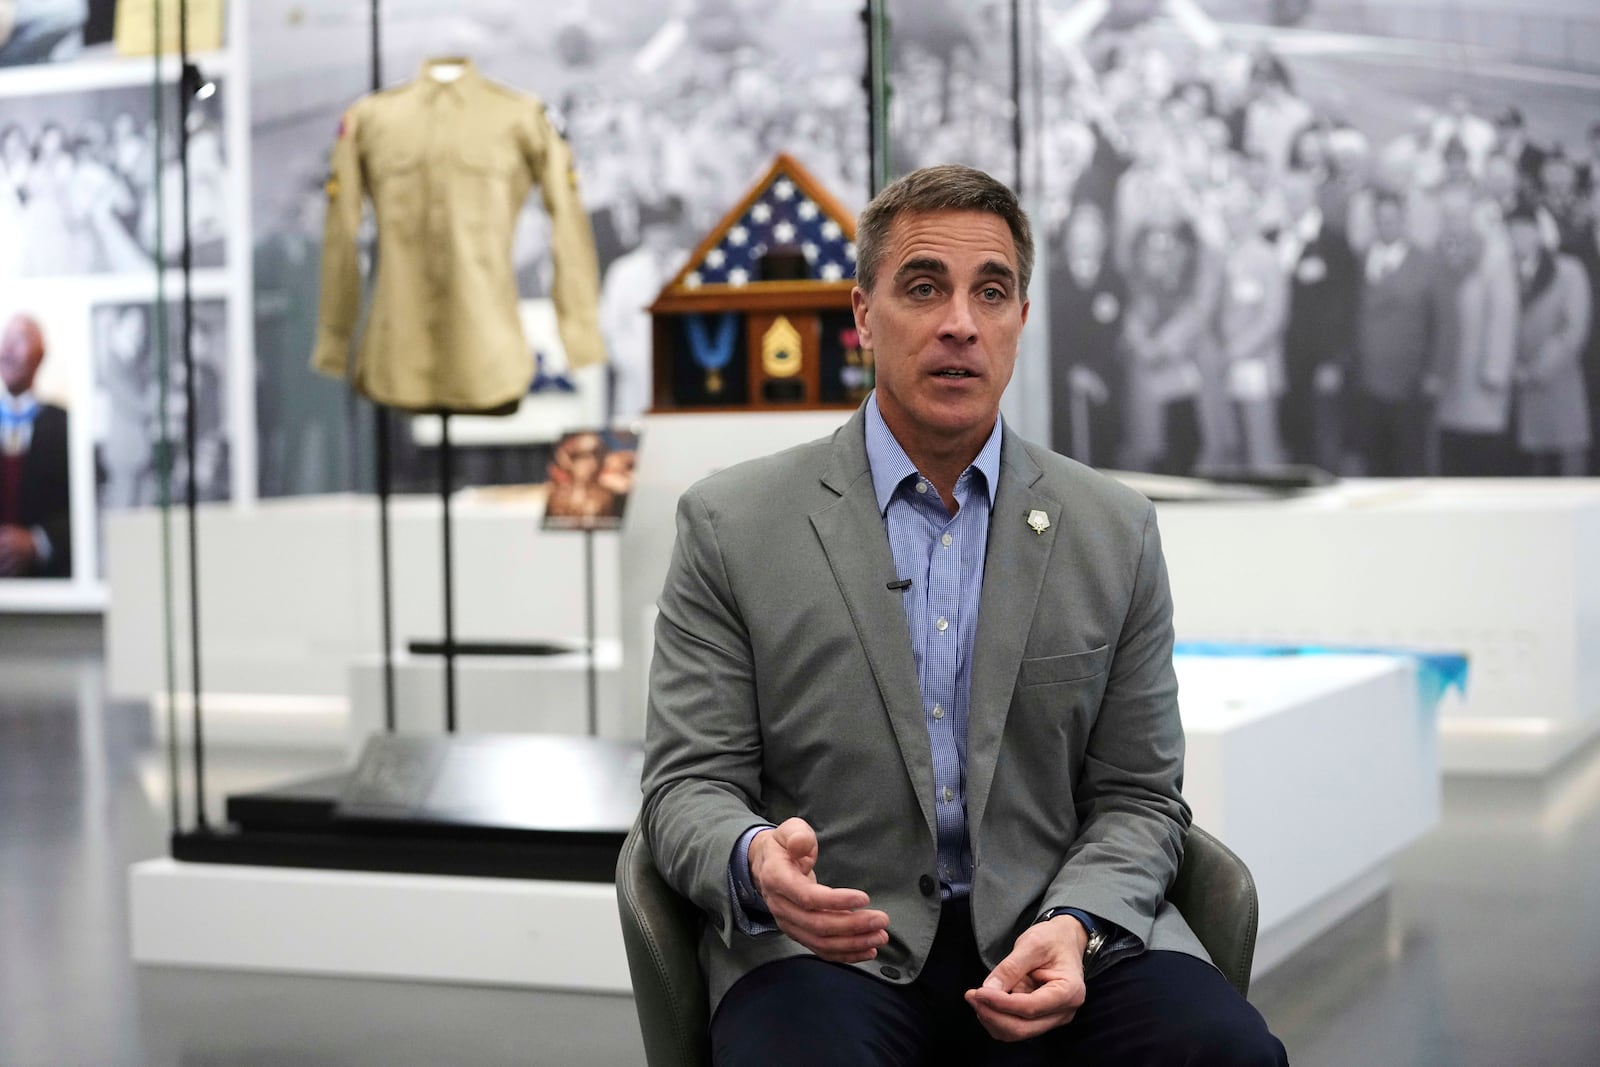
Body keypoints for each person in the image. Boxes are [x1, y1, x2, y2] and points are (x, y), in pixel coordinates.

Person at [641, 164, 1287, 1066]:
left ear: (1021, 317)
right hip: (832, 946)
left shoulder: (1114, 528)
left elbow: (1139, 795)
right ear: (863, 314)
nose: (959, 322)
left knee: (1227, 1055)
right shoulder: (732, 525)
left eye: (992, 291)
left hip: (1056, 928)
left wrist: (1076, 924)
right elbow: (685, 786)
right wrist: (755, 858)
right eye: (922, 287)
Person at [1430, 183, 1519, 476]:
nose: (1452, 220)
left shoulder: (1493, 254)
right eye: (1447, 214)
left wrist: (1495, 369)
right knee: (1450, 450)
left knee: (1482, 456)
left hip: (1480, 373)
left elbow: (1503, 316)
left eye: (1459, 214)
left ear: (1471, 216)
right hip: (1449, 372)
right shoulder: (1436, 253)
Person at [1278, 165, 1358, 472]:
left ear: (1311, 198)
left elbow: (1345, 307)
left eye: (1298, 195)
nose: (1292, 201)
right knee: (1292, 439)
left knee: (1323, 443)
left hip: (1319, 361)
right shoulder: (1274, 237)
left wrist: (1334, 360)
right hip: (1283, 359)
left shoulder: (1335, 243)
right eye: (1287, 195)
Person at [1354, 192, 1437, 475]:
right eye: (1381, 219)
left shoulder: (1424, 261)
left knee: (1408, 463)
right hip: (1366, 381)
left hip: (1408, 381)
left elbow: (1437, 322)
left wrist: (1433, 372)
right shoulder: (1360, 257)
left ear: (1404, 220)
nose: (1386, 224)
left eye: (1393, 218)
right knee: (1371, 463)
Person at [1506, 205, 1592, 475]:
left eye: (1526, 230)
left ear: (1538, 233)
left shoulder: (1569, 271)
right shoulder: (1501, 274)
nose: (1519, 237)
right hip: (1515, 396)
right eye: (1513, 231)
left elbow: (1573, 330)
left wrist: (1535, 371)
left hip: (1558, 387)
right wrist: (1511, 369)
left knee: (1567, 476)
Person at [1047, 202, 1124, 466]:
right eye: (1079, 236)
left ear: (1104, 240)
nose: (1085, 243)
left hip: (1105, 382)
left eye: (1092, 236)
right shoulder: (1050, 282)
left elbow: (1116, 336)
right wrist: (1073, 371)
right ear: (1068, 239)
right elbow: (1049, 336)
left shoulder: (1116, 281)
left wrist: (1095, 373)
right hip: (1060, 383)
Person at [0, 313, 71, 578]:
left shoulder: (65, 426)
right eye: (4, 340)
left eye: (18, 340)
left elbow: (82, 505)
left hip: (46, 586)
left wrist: (38, 542)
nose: (7, 350)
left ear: (40, 356)